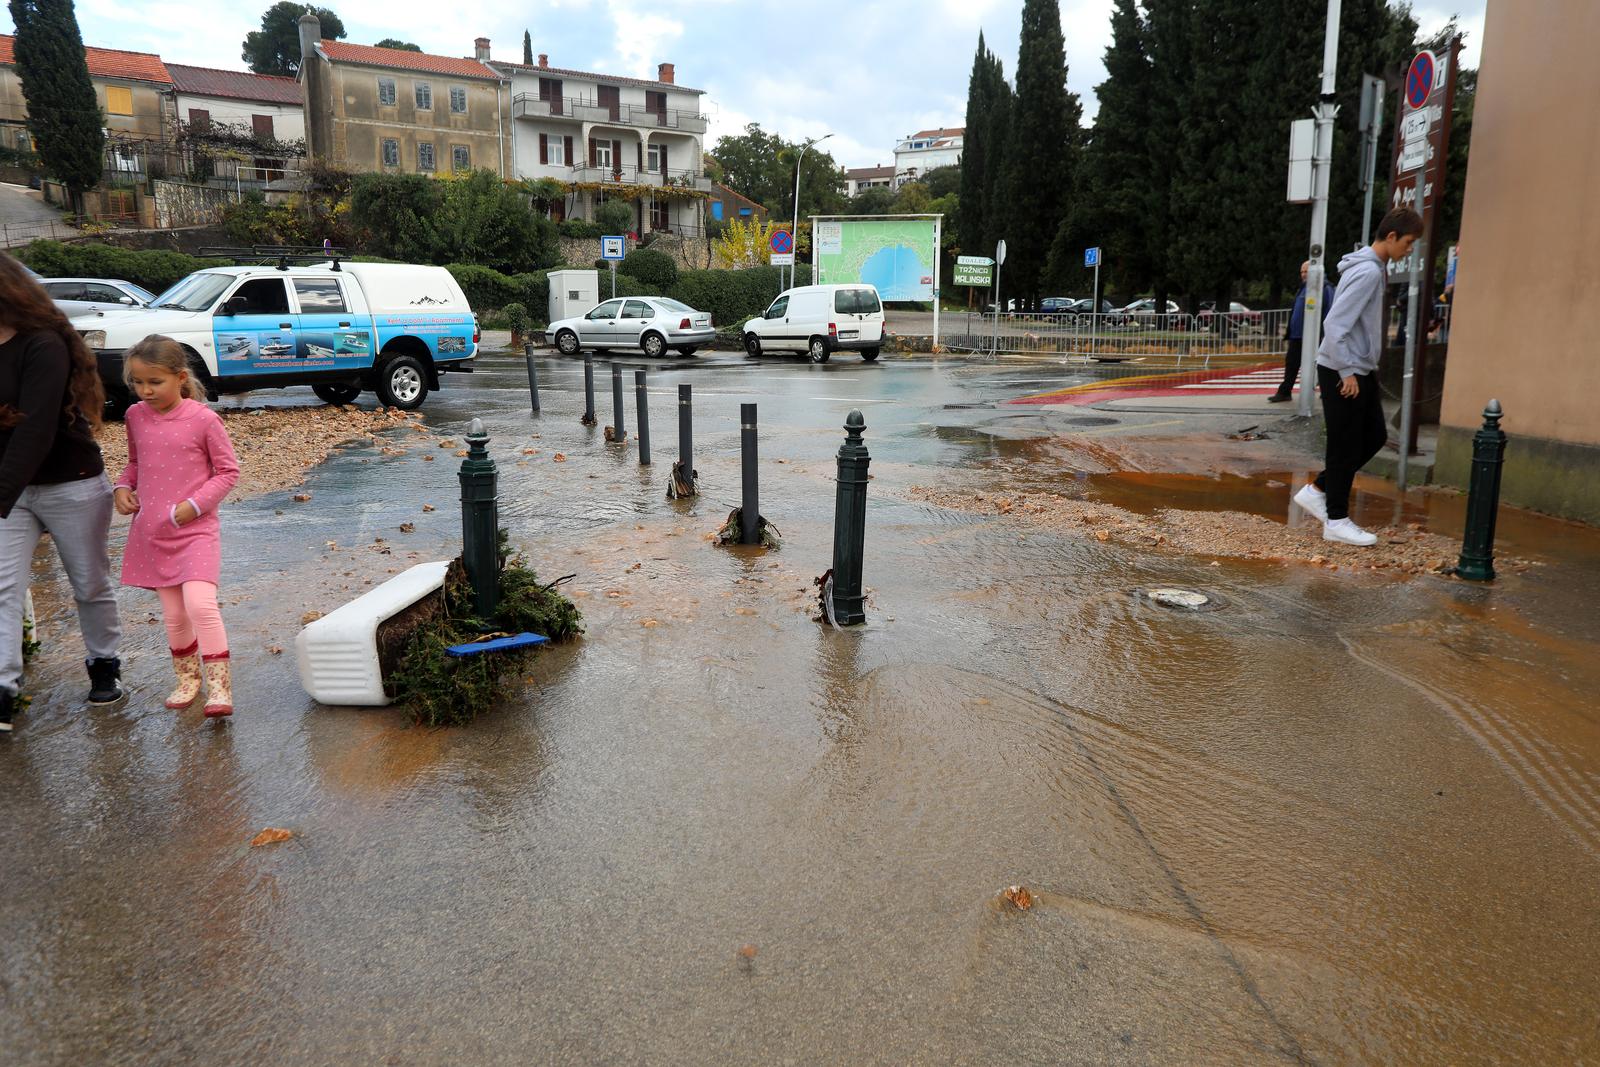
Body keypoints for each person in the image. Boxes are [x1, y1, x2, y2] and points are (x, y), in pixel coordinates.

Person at [0, 254, 125, 733]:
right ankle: (4, 690)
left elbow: (34, 431)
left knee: (89, 583)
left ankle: (103, 663)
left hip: (70, 483)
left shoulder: (43, 345)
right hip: (12, 490)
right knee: (3, 588)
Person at [113, 335, 240, 717]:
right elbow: (135, 464)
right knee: (173, 614)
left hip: (196, 530)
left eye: (155, 382)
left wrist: (195, 505)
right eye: (138, 382)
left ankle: (219, 688)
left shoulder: (204, 419)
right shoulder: (135, 416)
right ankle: (188, 680)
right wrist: (121, 487)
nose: (145, 390)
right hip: (153, 532)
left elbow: (228, 472)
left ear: (180, 377)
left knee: (200, 605)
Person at [1293, 206, 1424, 546]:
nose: (1410, 250)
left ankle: (1318, 490)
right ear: (1391, 236)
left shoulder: (1372, 268)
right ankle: (1335, 520)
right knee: (1345, 444)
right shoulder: (1367, 272)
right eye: (1408, 243)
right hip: (1343, 369)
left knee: (1374, 436)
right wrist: (1347, 371)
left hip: (1355, 367)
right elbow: (1335, 324)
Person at [1268, 260, 1336, 403]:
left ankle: (1327, 391)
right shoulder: (1304, 288)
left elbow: (1329, 310)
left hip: (1315, 335)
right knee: (1291, 363)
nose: (1304, 275)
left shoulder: (1325, 287)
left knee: (1321, 364)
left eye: (1307, 271)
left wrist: (1324, 334)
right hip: (1298, 335)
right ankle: (1285, 391)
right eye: (1302, 272)